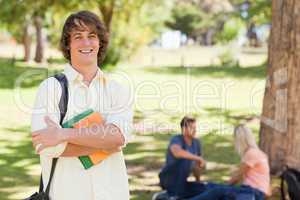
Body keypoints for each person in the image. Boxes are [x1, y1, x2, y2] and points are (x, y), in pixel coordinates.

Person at [31, 11, 133, 200]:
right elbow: (44, 146)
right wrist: (104, 144)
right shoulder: (51, 88)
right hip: (66, 193)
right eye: (78, 36)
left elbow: (118, 137)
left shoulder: (117, 89)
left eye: (92, 36)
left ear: (100, 42)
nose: (86, 43)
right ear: (68, 44)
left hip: (112, 193)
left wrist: (63, 134)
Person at [188, 125, 271, 200]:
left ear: (240, 140)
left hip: (252, 192)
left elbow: (237, 177)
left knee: (218, 190)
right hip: (251, 191)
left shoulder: (251, 153)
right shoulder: (256, 152)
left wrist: (223, 187)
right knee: (211, 187)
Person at [159, 116, 206, 199]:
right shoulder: (176, 139)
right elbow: (177, 152)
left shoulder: (196, 142)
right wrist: (197, 158)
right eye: (192, 128)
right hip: (168, 178)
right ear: (184, 129)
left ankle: (168, 196)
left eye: (195, 127)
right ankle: (172, 195)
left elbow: (196, 166)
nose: (195, 130)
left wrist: (198, 180)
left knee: (203, 189)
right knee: (184, 160)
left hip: (182, 181)